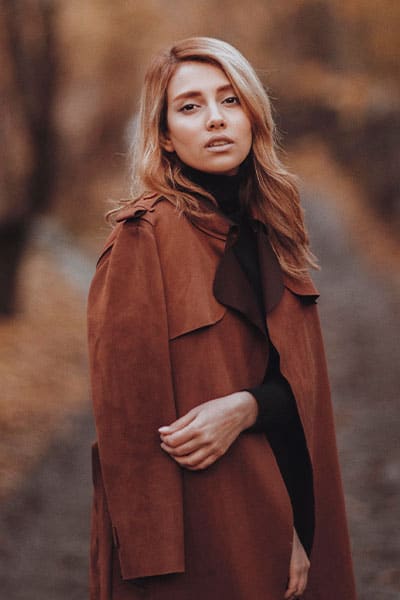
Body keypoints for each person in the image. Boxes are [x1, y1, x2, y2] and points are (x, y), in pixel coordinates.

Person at [87, 37, 357, 600]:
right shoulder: (144, 237)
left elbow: (300, 389)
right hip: (197, 550)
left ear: (253, 115)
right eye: (190, 106)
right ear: (164, 134)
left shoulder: (274, 228)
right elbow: (127, 423)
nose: (215, 119)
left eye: (230, 100)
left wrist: (246, 407)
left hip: (283, 519)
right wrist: (152, 573)